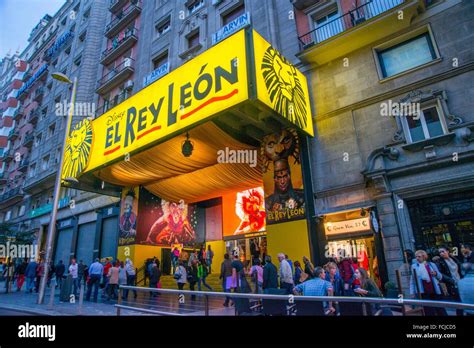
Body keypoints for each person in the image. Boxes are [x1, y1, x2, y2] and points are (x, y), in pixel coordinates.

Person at [409, 250, 447, 316]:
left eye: (419, 256)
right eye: (416, 257)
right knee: (428, 311)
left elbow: (440, 277)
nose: (417, 258)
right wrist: (412, 292)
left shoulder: (431, 265)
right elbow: (412, 280)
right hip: (423, 292)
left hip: (434, 290)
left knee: (440, 310)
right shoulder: (414, 266)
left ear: (424, 257)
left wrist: (435, 273)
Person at [437, 246, 463, 315]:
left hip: (460, 282)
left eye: (443, 251)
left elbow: (460, 268)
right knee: (459, 302)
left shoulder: (453, 259)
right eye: (440, 252)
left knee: (462, 301)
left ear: (447, 251)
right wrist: (451, 280)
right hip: (452, 284)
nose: (441, 253)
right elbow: (441, 274)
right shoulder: (440, 262)